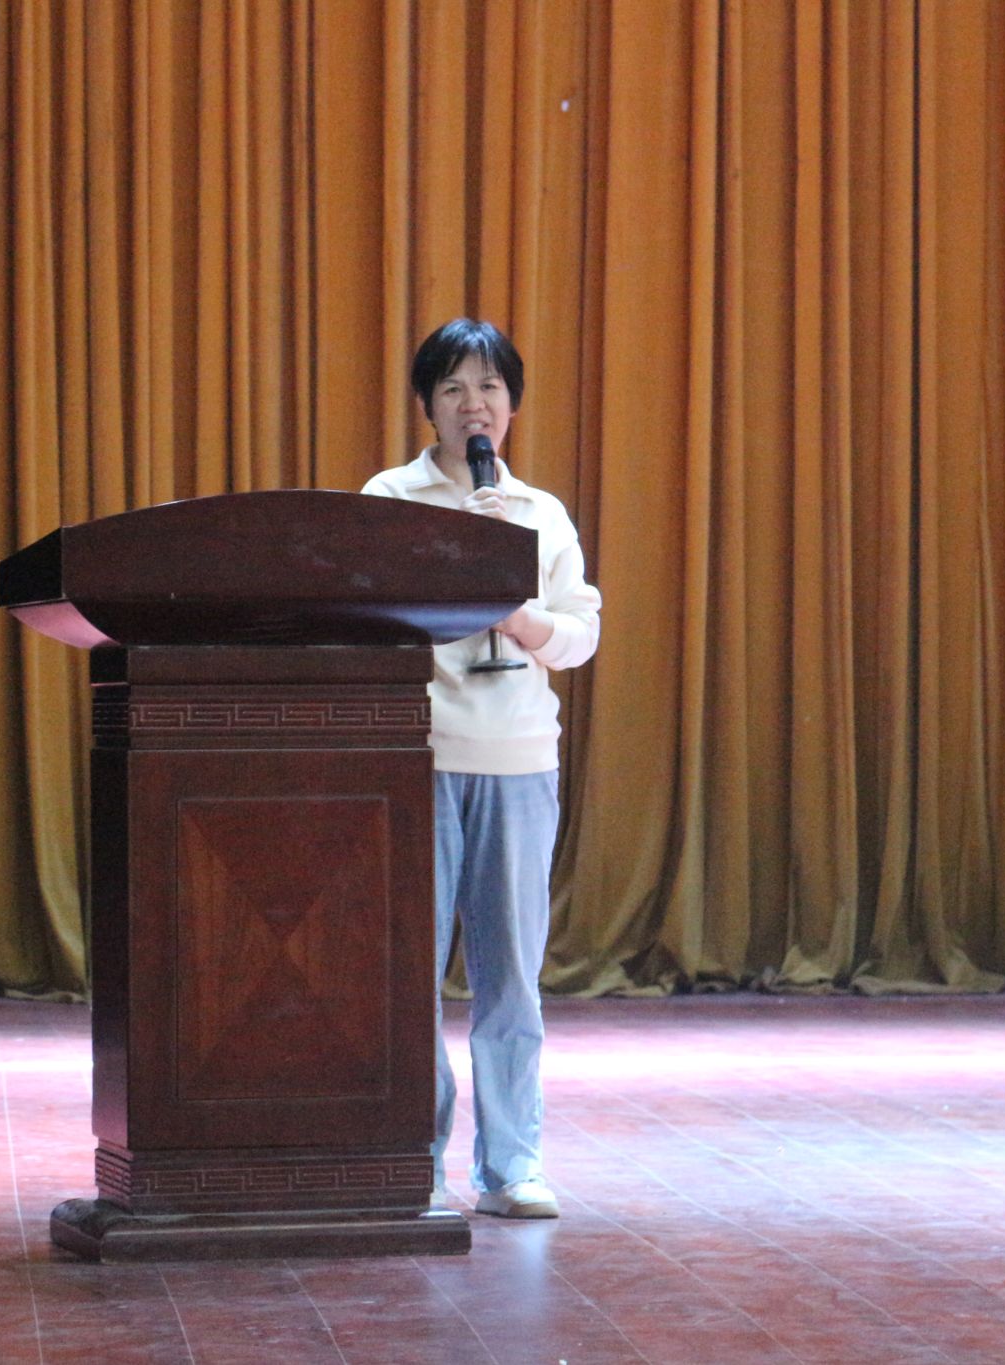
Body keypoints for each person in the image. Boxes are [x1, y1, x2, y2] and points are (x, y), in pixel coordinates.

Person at [360, 319, 602, 1219]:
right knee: (406, 973)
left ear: (512, 405)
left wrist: (518, 611)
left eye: (491, 388)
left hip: (518, 760)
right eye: (455, 388)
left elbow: (579, 635)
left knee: (511, 978)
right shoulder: (390, 498)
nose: (475, 405)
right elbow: (361, 611)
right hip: (416, 757)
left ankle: (510, 1166)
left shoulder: (539, 512)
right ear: (428, 405)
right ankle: (412, 1159)